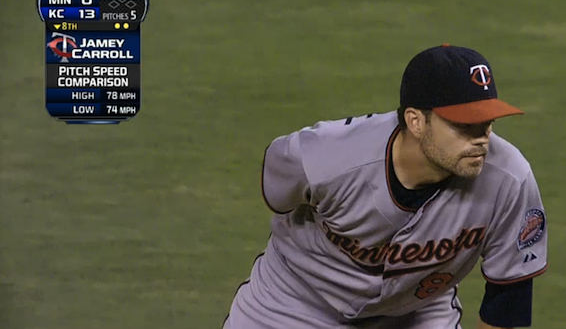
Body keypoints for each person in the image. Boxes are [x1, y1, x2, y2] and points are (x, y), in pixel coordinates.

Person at [222, 44, 548, 329]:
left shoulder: (509, 178)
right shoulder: (325, 158)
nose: (481, 138)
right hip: (294, 302)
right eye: (464, 125)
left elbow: (508, 292)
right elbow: (280, 193)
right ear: (416, 121)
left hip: (416, 313)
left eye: (487, 123)